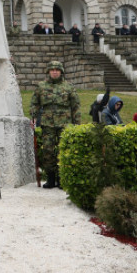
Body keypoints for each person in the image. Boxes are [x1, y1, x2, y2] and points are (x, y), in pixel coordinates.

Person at [29, 60, 80, 189]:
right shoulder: (41, 86)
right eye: (52, 70)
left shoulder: (69, 87)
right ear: (48, 72)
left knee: (64, 150)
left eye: (57, 70)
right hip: (48, 124)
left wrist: (77, 124)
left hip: (65, 124)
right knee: (48, 151)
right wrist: (33, 116)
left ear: (61, 72)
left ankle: (62, 179)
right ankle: (50, 179)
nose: (55, 72)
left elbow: (75, 107)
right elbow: (35, 103)